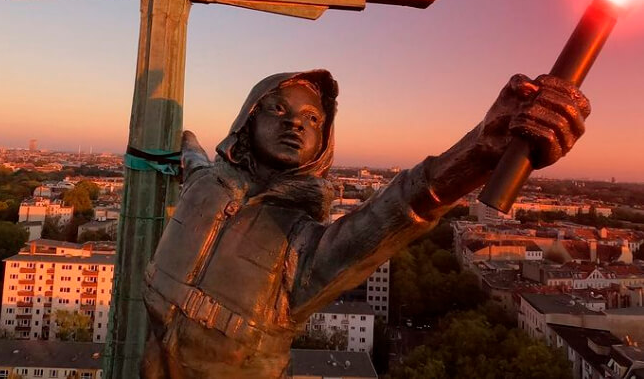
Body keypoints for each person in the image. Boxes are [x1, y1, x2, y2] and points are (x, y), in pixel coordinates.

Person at [141, 69, 590, 378]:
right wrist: (186, 140)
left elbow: (396, 210)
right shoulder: (206, 184)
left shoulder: (300, 248)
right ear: (248, 118)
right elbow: (194, 161)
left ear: (322, 143)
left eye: (313, 119)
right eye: (278, 109)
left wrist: (480, 151)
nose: (296, 123)